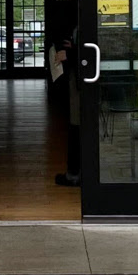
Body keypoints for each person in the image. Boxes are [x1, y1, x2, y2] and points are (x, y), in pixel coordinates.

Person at [54, 25, 81, 187]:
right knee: (76, 128)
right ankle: (75, 172)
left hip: (83, 85)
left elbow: (95, 51)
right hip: (77, 82)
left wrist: (71, 54)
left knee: (77, 128)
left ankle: (75, 174)